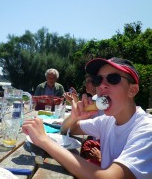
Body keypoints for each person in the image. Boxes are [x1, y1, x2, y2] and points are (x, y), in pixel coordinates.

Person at [22, 57, 152, 178]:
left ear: (132, 90)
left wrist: (44, 141)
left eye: (113, 79)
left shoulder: (147, 131)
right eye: (98, 80)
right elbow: (68, 129)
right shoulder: (108, 121)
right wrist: (75, 117)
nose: (101, 86)